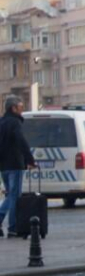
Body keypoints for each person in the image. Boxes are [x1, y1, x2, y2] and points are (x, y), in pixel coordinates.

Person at [0, 96, 37, 238]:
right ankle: (13, 227)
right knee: (14, 196)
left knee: (10, 195)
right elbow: (21, 141)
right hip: (15, 164)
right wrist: (30, 160)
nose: (22, 109)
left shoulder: (1, 122)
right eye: (20, 107)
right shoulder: (15, 123)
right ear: (13, 108)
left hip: (3, 166)